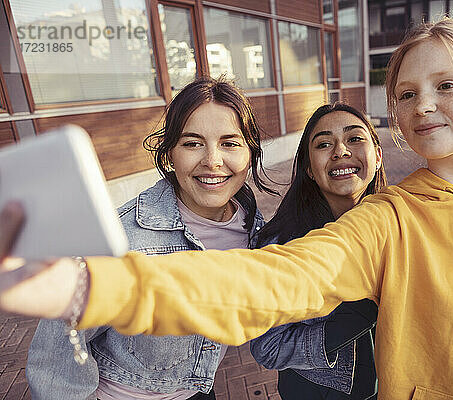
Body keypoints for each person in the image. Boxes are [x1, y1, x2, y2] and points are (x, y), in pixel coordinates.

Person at [1, 18, 453, 399]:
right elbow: (267, 282)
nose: (425, 106)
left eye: (448, 85)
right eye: (408, 93)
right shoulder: (386, 222)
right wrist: (81, 285)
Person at [25, 76, 275, 400]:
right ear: (170, 153)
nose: (212, 160)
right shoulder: (118, 238)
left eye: (229, 143)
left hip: (199, 389)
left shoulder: (259, 233)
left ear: (250, 153)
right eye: (192, 143)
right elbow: (58, 352)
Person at [250, 103, 385, 399]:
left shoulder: (398, 226)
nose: (340, 151)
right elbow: (267, 347)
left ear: (377, 155)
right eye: (324, 144)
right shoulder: (283, 245)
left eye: (354, 139)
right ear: (310, 169)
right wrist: (350, 320)